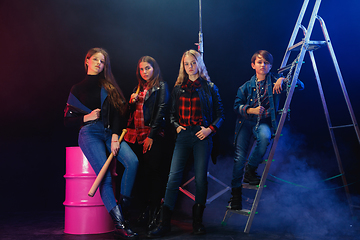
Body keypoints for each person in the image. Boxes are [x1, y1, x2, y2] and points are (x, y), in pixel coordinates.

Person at [147, 50, 225, 238]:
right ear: (183, 66)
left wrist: (209, 130)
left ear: (199, 64)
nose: (190, 67)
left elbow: (220, 114)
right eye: (186, 64)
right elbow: (172, 114)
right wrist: (176, 126)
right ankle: (164, 223)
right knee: (173, 178)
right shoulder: (178, 88)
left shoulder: (210, 87)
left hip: (202, 135)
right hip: (183, 136)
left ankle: (197, 223)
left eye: (193, 63)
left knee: (200, 179)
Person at [64, 48, 139, 239]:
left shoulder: (109, 86)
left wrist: (115, 136)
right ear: (87, 60)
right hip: (89, 133)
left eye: (103, 61)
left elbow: (118, 114)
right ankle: (121, 222)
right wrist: (86, 117)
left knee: (133, 162)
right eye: (96, 59)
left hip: (109, 133)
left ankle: (123, 208)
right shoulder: (77, 88)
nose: (99, 63)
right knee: (104, 177)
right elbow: (67, 120)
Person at [228, 50, 304, 210]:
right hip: (246, 123)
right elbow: (236, 106)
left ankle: (251, 171)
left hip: (263, 122)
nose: (263, 65)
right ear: (253, 65)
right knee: (239, 158)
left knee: (264, 137)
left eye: (266, 63)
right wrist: (251, 110)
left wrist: (283, 79)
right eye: (260, 62)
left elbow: (300, 85)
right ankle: (235, 196)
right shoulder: (245, 87)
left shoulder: (276, 80)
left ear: (270, 66)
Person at [124, 56, 170, 231]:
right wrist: (131, 102)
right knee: (142, 175)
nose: (145, 72)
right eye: (142, 69)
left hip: (152, 134)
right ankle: (143, 213)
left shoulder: (161, 86)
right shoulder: (137, 88)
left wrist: (151, 135)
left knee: (154, 174)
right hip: (135, 135)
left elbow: (161, 109)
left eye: (148, 68)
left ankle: (154, 214)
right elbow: (129, 113)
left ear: (154, 69)